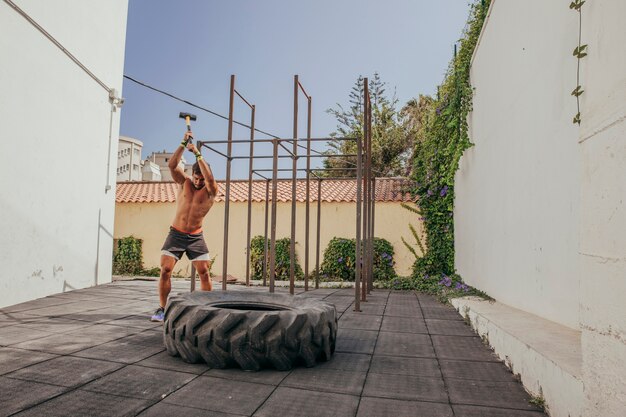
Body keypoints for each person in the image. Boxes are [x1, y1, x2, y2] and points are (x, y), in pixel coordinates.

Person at [151, 131, 218, 322]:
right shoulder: (184, 182)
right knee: (165, 270)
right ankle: (162, 309)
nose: (198, 182)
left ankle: (206, 309)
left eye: (201, 179)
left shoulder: (211, 190)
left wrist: (197, 152)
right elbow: (172, 165)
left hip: (196, 236)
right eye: (196, 178)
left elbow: (211, 180)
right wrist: (182, 144)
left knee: (204, 272)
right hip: (176, 234)